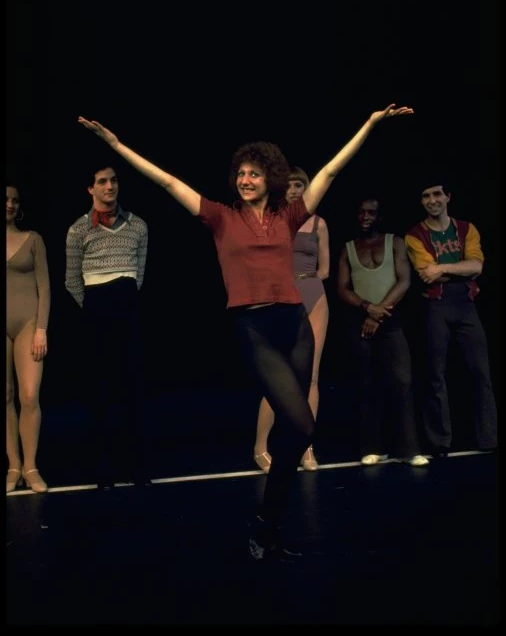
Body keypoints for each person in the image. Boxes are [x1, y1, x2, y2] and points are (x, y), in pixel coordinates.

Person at [77, 102, 413, 561]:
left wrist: (369, 125)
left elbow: (331, 171)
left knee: (299, 431)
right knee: (300, 423)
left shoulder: (289, 216)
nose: (245, 180)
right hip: (254, 327)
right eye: (240, 174)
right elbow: (168, 182)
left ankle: (268, 524)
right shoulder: (221, 217)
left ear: (269, 177)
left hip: (294, 323)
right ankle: (266, 522)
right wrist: (117, 145)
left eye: (254, 174)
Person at [65, 164, 150, 488]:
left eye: (113, 180)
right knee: (100, 391)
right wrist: (94, 310)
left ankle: (136, 466)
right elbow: (72, 280)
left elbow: (138, 274)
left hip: (127, 308)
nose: (109, 186)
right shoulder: (78, 230)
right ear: (91, 188)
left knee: (133, 389)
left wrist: (122, 302)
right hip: (97, 311)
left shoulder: (138, 226)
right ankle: (104, 468)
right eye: (102, 181)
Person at [404, 178, 497, 456]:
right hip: (436, 305)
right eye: (425, 196)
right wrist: (459, 268)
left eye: (436, 194)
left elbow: (476, 266)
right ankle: (439, 443)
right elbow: (426, 273)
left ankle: (488, 439)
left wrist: (443, 268)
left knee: (480, 372)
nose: (431, 200)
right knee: (434, 375)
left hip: (466, 304)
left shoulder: (467, 229)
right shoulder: (414, 235)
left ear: (448, 197)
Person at [337, 196, 428, 467]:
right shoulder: (348, 248)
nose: (365, 217)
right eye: (361, 212)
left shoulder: (394, 242)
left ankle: (409, 449)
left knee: (402, 382)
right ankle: (372, 447)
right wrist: (368, 308)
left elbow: (404, 281)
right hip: (360, 321)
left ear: (380, 217)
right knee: (367, 383)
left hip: (390, 319)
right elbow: (342, 288)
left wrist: (379, 313)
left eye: (371, 213)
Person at [253, 166, 329, 473]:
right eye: (290, 185)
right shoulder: (272, 220)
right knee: (279, 378)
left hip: (314, 296)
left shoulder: (319, 223)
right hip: (283, 299)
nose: (295, 190)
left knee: (311, 377)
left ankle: (306, 448)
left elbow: (325, 269)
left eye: (300, 185)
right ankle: (260, 448)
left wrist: (306, 279)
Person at [6, 184, 51, 493]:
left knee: (29, 395)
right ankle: (13, 466)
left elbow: (44, 287)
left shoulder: (33, 239)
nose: (10, 204)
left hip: (28, 323)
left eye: (15, 200)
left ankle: (31, 466)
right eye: (5, 199)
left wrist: (41, 329)